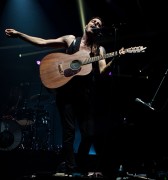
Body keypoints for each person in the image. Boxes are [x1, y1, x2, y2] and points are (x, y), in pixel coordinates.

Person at [5, 17, 125, 177]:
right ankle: (71, 169)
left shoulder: (99, 50)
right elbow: (43, 42)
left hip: (86, 96)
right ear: (86, 24)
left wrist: (115, 58)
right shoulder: (71, 40)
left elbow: (103, 71)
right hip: (67, 94)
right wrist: (19, 34)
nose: (96, 24)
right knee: (68, 133)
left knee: (88, 134)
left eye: (99, 24)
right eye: (93, 21)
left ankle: (80, 165)